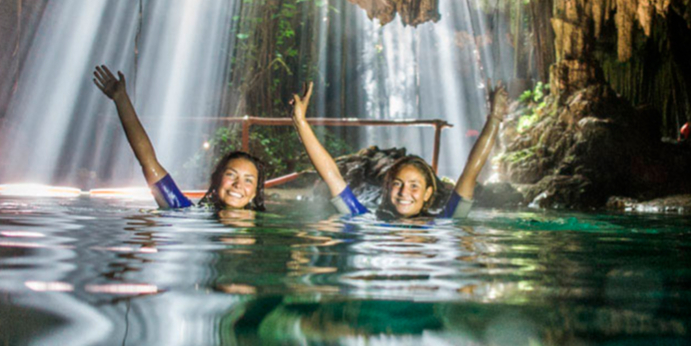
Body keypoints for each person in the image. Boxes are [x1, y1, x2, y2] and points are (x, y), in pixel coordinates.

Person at [289, 80, 508, 219]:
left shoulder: (448, 218)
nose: (404, 193)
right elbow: (332, 175)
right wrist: (300, 122)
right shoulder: (361, 217)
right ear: (386, 187)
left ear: (428, 194)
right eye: (397, 184)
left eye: (415, 186)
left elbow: (470, 172)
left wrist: (495, 118)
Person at [92, 65, 265, 211]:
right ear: (217, 180)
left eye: (248, 180)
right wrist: (121, 99)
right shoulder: (185, 211)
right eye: (231, 175)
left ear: (255, 192)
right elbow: (147, 161)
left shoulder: (264, 230)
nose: (238, 185)